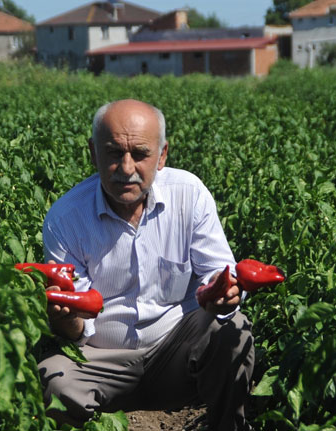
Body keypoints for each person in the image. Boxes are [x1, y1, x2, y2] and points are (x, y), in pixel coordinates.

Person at [38, 99, 255, 430]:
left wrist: (224, 294)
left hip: (176, 352)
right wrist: (67, 322)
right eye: (113, 153)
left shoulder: (189, 194)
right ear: (93, 154)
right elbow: (77, 326)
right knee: (54, 379)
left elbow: (219, 273)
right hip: (101, 360)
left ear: (162, 155)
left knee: (233, 331)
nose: (126, 168)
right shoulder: (66, 218)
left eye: (140, 154)